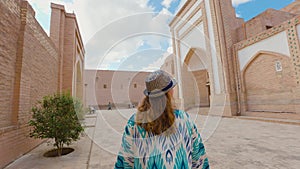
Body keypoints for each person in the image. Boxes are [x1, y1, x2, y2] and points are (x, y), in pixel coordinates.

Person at [114, 70, 209, 169]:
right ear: (169, 93)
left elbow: (126, 160)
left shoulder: (135, 122)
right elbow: (198, 158)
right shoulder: (184, 120)